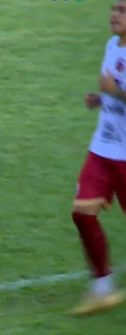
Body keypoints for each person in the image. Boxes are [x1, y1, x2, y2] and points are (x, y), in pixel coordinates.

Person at [70, 0, 126, 315]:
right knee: (82, 213)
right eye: (113, 9)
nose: (114, 15)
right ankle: (102, 288)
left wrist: (116, 92)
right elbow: (113, 90)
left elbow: (119, 88)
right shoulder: (111, 45)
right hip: (103, 148)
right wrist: (101, 99)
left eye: (122, 10)